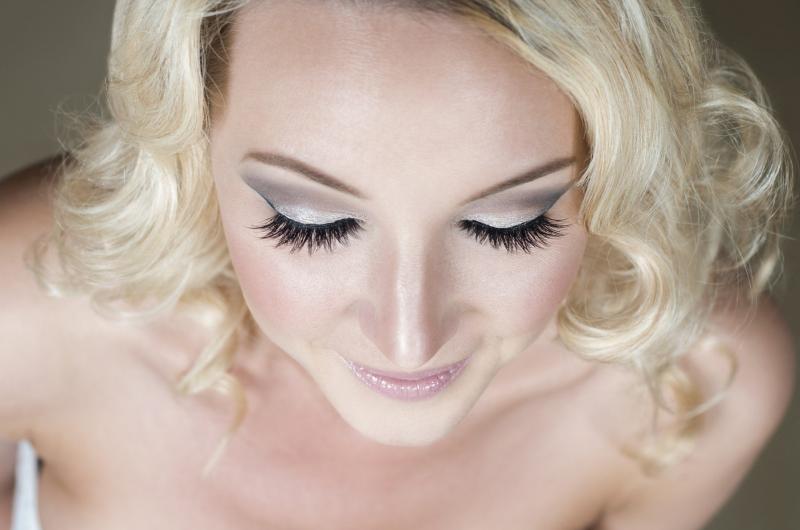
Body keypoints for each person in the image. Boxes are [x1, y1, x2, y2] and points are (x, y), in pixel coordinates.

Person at [0, 0, 796, 528]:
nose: (409, 341)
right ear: (190, 136)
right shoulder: (24, 314)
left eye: (507, 226)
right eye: (311, 224)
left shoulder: (697, 387)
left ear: (614, 164)